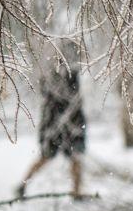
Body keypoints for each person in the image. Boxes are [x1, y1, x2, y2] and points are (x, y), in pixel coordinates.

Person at [17, 57, 87, 198]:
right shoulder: (52, 73)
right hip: (54, 123)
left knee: (74, 158)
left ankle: (76, 191)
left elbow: (75, 98)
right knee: (49, 157)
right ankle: (23, 185)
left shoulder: (69, 72)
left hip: (69, 122)